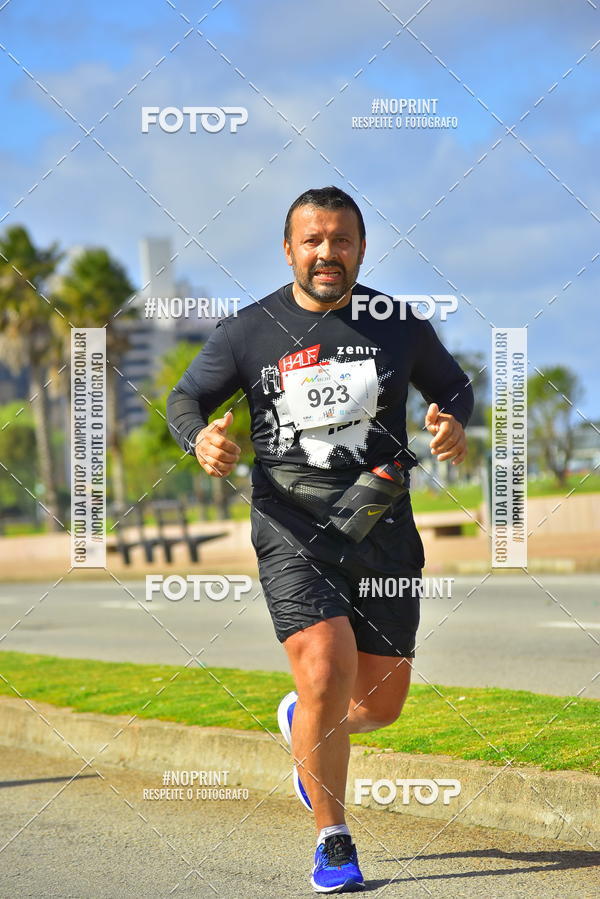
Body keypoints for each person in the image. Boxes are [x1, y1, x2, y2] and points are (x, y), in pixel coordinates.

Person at [167, 186, 474, 893]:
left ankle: (300, 718)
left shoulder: (396, 324)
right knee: (326, 669)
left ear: (362, 248)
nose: (327, 253)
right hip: (291, 529)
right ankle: (333, 840)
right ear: (289, 248)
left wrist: (452, 420)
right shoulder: (249, 331)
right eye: (313, 240)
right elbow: (186, 399)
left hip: (381, 528)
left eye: (341, 240)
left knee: (381, 703)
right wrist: (200, 437)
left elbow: (453, 386)